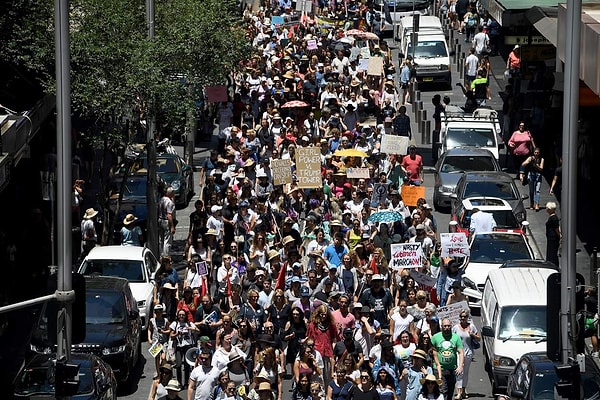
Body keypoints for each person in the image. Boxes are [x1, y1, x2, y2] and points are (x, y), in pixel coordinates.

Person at [431, 318, 464, 400]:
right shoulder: (435, 337)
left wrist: (460, 366)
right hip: (439, 369)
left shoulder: (456, 338)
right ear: (441, 326)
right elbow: (432, 351)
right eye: (445, 326)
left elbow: (461, 352)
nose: (447, 327)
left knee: (450, 391)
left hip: (452, 369)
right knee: (443, 390)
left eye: (449, 326)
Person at [452, 310, 479, 400]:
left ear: (467, 318)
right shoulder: (455, 327)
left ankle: (463, 390)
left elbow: (479, 338)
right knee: (459, 371)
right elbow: (451, 338)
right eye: (461, 316)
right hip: (458, 353)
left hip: (468, 352)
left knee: (466, 372)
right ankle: (458, 393)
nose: (463, 318)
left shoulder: (471, 326)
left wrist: (472, 335)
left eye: (464, 316)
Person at [170, 309, 200, 386]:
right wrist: (177, 334)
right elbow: (171, 335)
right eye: (180, 314)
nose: (181, 316)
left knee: (187, 366)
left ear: (186, 315)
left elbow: (198, 331)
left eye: (183, 315)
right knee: (178, 364)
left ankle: (186, 383)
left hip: (188, 346)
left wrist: (193, 329)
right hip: (179, 346)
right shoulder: (175, 323)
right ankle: (179, 382)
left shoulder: (189, 323)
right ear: (177, 315)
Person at [159, 186, 177, 256]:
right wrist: (172, 226)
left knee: (161, 239)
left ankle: (161, 255)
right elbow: (169, 215)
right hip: (166, 222)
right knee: (167, 241)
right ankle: (166, 256)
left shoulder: (161, 199)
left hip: (160, 220)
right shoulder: (170, 202)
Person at [545, 201, 561, 266]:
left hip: (553, 238)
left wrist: (560, 236)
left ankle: (553, 264)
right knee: (551, 252)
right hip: (551, 238)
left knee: (552, 253)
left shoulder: (554, 218)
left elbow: (557, 229)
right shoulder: (553, 217)